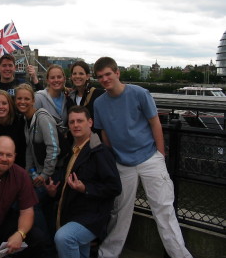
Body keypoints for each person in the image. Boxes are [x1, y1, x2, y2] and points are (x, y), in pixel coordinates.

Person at [93, 57, 193, 258]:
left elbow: (154, 123)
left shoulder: (139, 93)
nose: (104, 79)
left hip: (149, 158)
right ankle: (108, 254)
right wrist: (113, 159)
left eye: (108, 74)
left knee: (164, 211)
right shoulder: (99, 104)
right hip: (122, 163)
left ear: (117, 73)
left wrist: (160, 154)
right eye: (100, 76)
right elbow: (105, 135)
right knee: (119, 213)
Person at [45, 106, 121, 258]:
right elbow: (69, 182)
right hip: (75, 213)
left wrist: (85, 188)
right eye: (72, 122)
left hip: (91, 217)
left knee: (64, 238)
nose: (75, 125)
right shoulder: (74, 150)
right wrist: (54, 191)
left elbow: (114, 187)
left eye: (80, 121)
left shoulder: (99, 152)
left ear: (90, 122)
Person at [15, 83, 60, 252]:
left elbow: (54, 147)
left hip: (54, 173)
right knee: (44, 208)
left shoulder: (42, 117)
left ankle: (46, 247)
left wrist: (45, 174)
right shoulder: (26, 120)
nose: (22, 102)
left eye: (26, 98)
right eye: (19, 98)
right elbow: (29, 149)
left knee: (31, 202)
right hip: (40, 173)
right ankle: (50, 242)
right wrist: (29, 173)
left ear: (33, 100)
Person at [0, 89, 26, 167]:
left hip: (17, 167)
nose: (1, 107)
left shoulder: (20, 122)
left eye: (4, 103)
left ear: (9, 105)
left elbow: (23, 151)